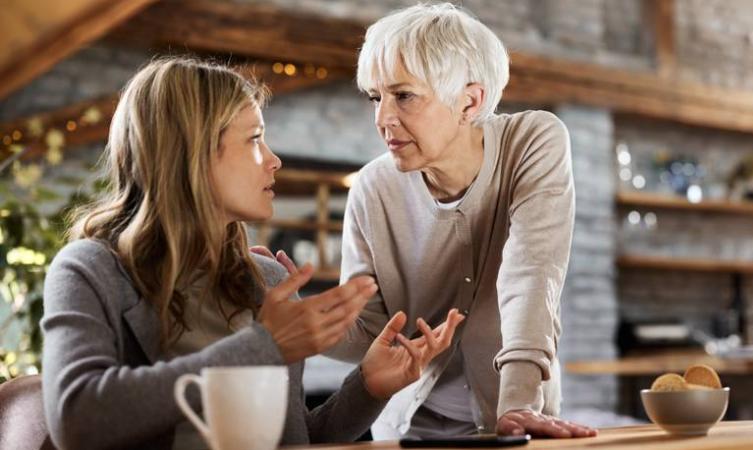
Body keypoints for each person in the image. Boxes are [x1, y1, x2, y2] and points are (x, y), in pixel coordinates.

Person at [40, 57, 463, 450]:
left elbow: (293, 438)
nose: (273, 160)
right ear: (193, 152)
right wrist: (264, 346)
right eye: (255, 139)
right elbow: (76, 418)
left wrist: (368, 386)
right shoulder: (90, 270)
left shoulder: (267, 281)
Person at [321, 3, 597, 439]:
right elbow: (371, 334)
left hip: (512, 422)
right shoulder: (372, 188)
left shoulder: (533, 143)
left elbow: (532, 273)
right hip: (407, 431)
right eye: (377, 97)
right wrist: (289, 318)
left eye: (404, 96)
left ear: (470, 101)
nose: (382, 118)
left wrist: (520, 402)